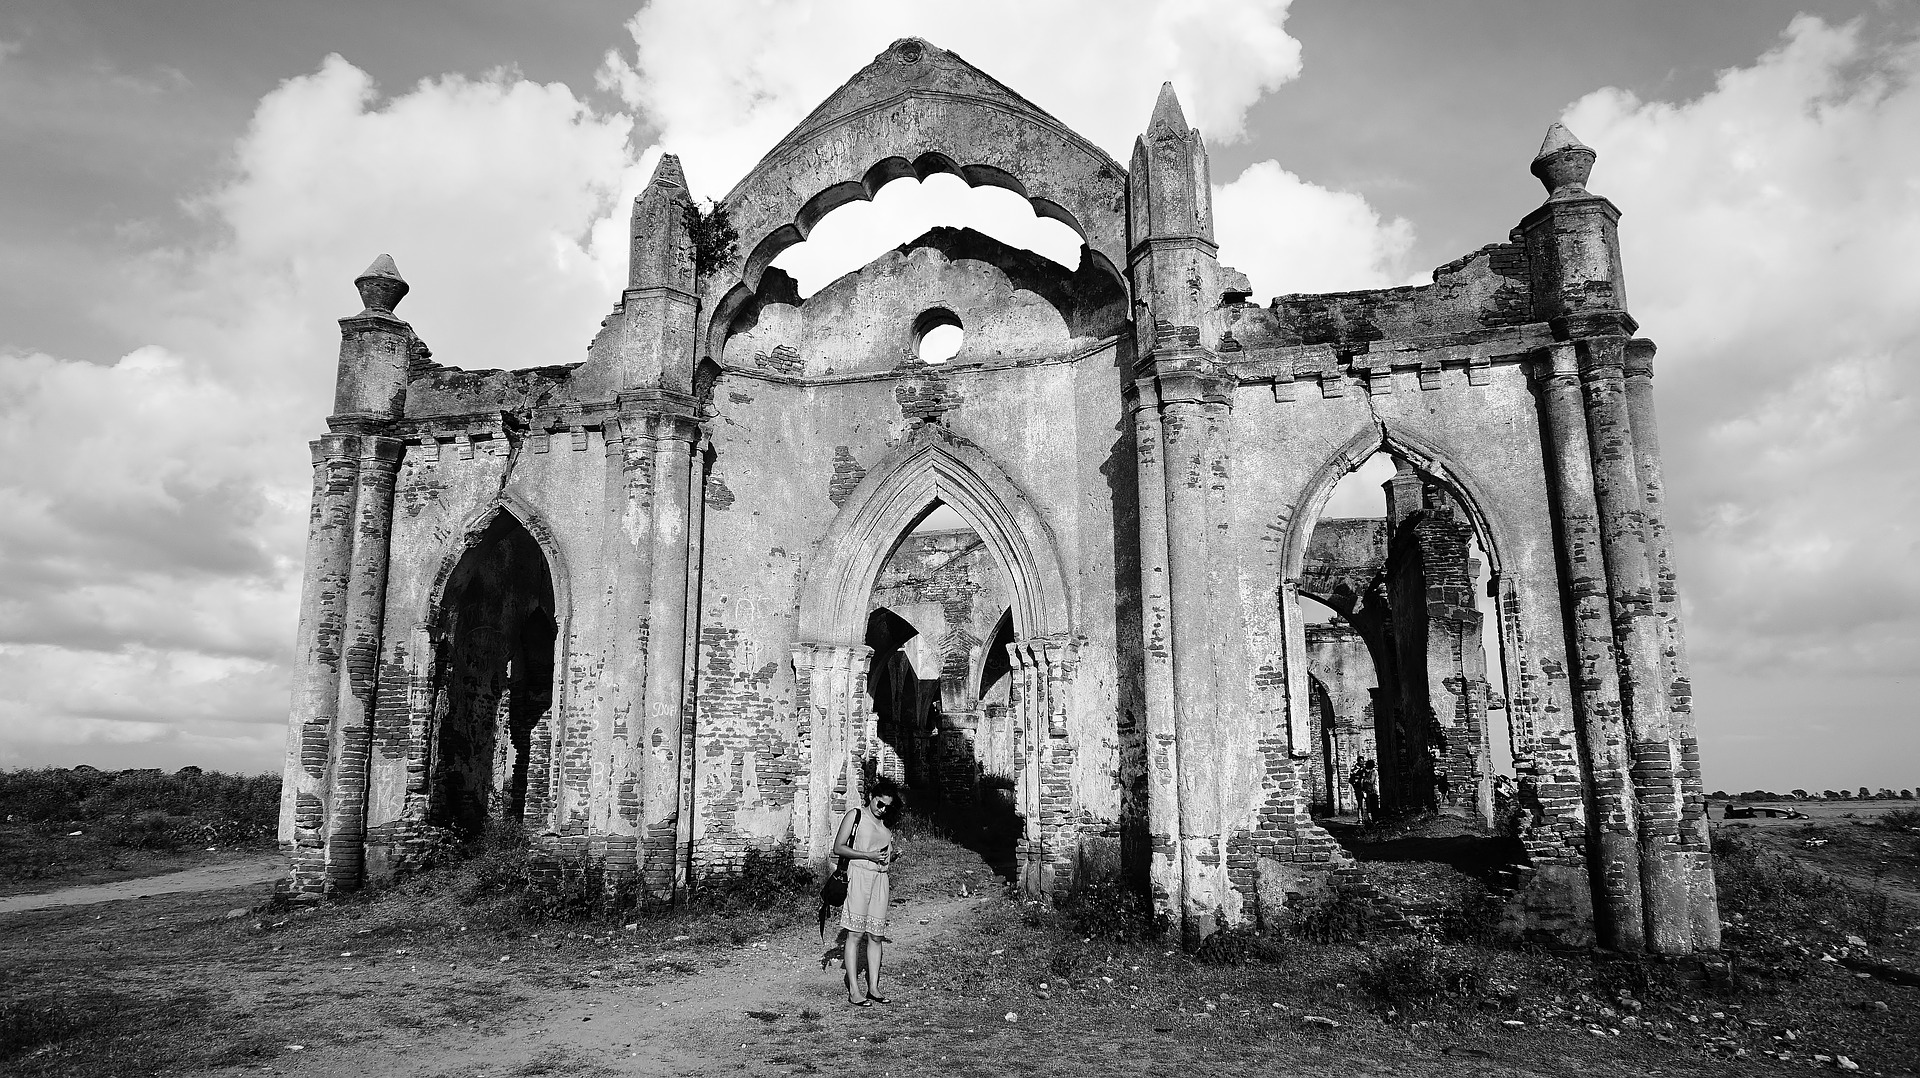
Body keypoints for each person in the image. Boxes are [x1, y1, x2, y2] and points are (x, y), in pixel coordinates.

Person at [833, 777, 900, 1007]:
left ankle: (874, 988)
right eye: (880, 804)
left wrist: (890, 856)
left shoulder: (885, 824)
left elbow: (882, 853)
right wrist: (867, 855)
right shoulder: (856, 815)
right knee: (855, 934)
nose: (882, 809)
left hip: (881, 879)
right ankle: (854, 990)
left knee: (876, 935)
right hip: (859, 876)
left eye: (887, 806)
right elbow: (838, 847)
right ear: (871, 797)